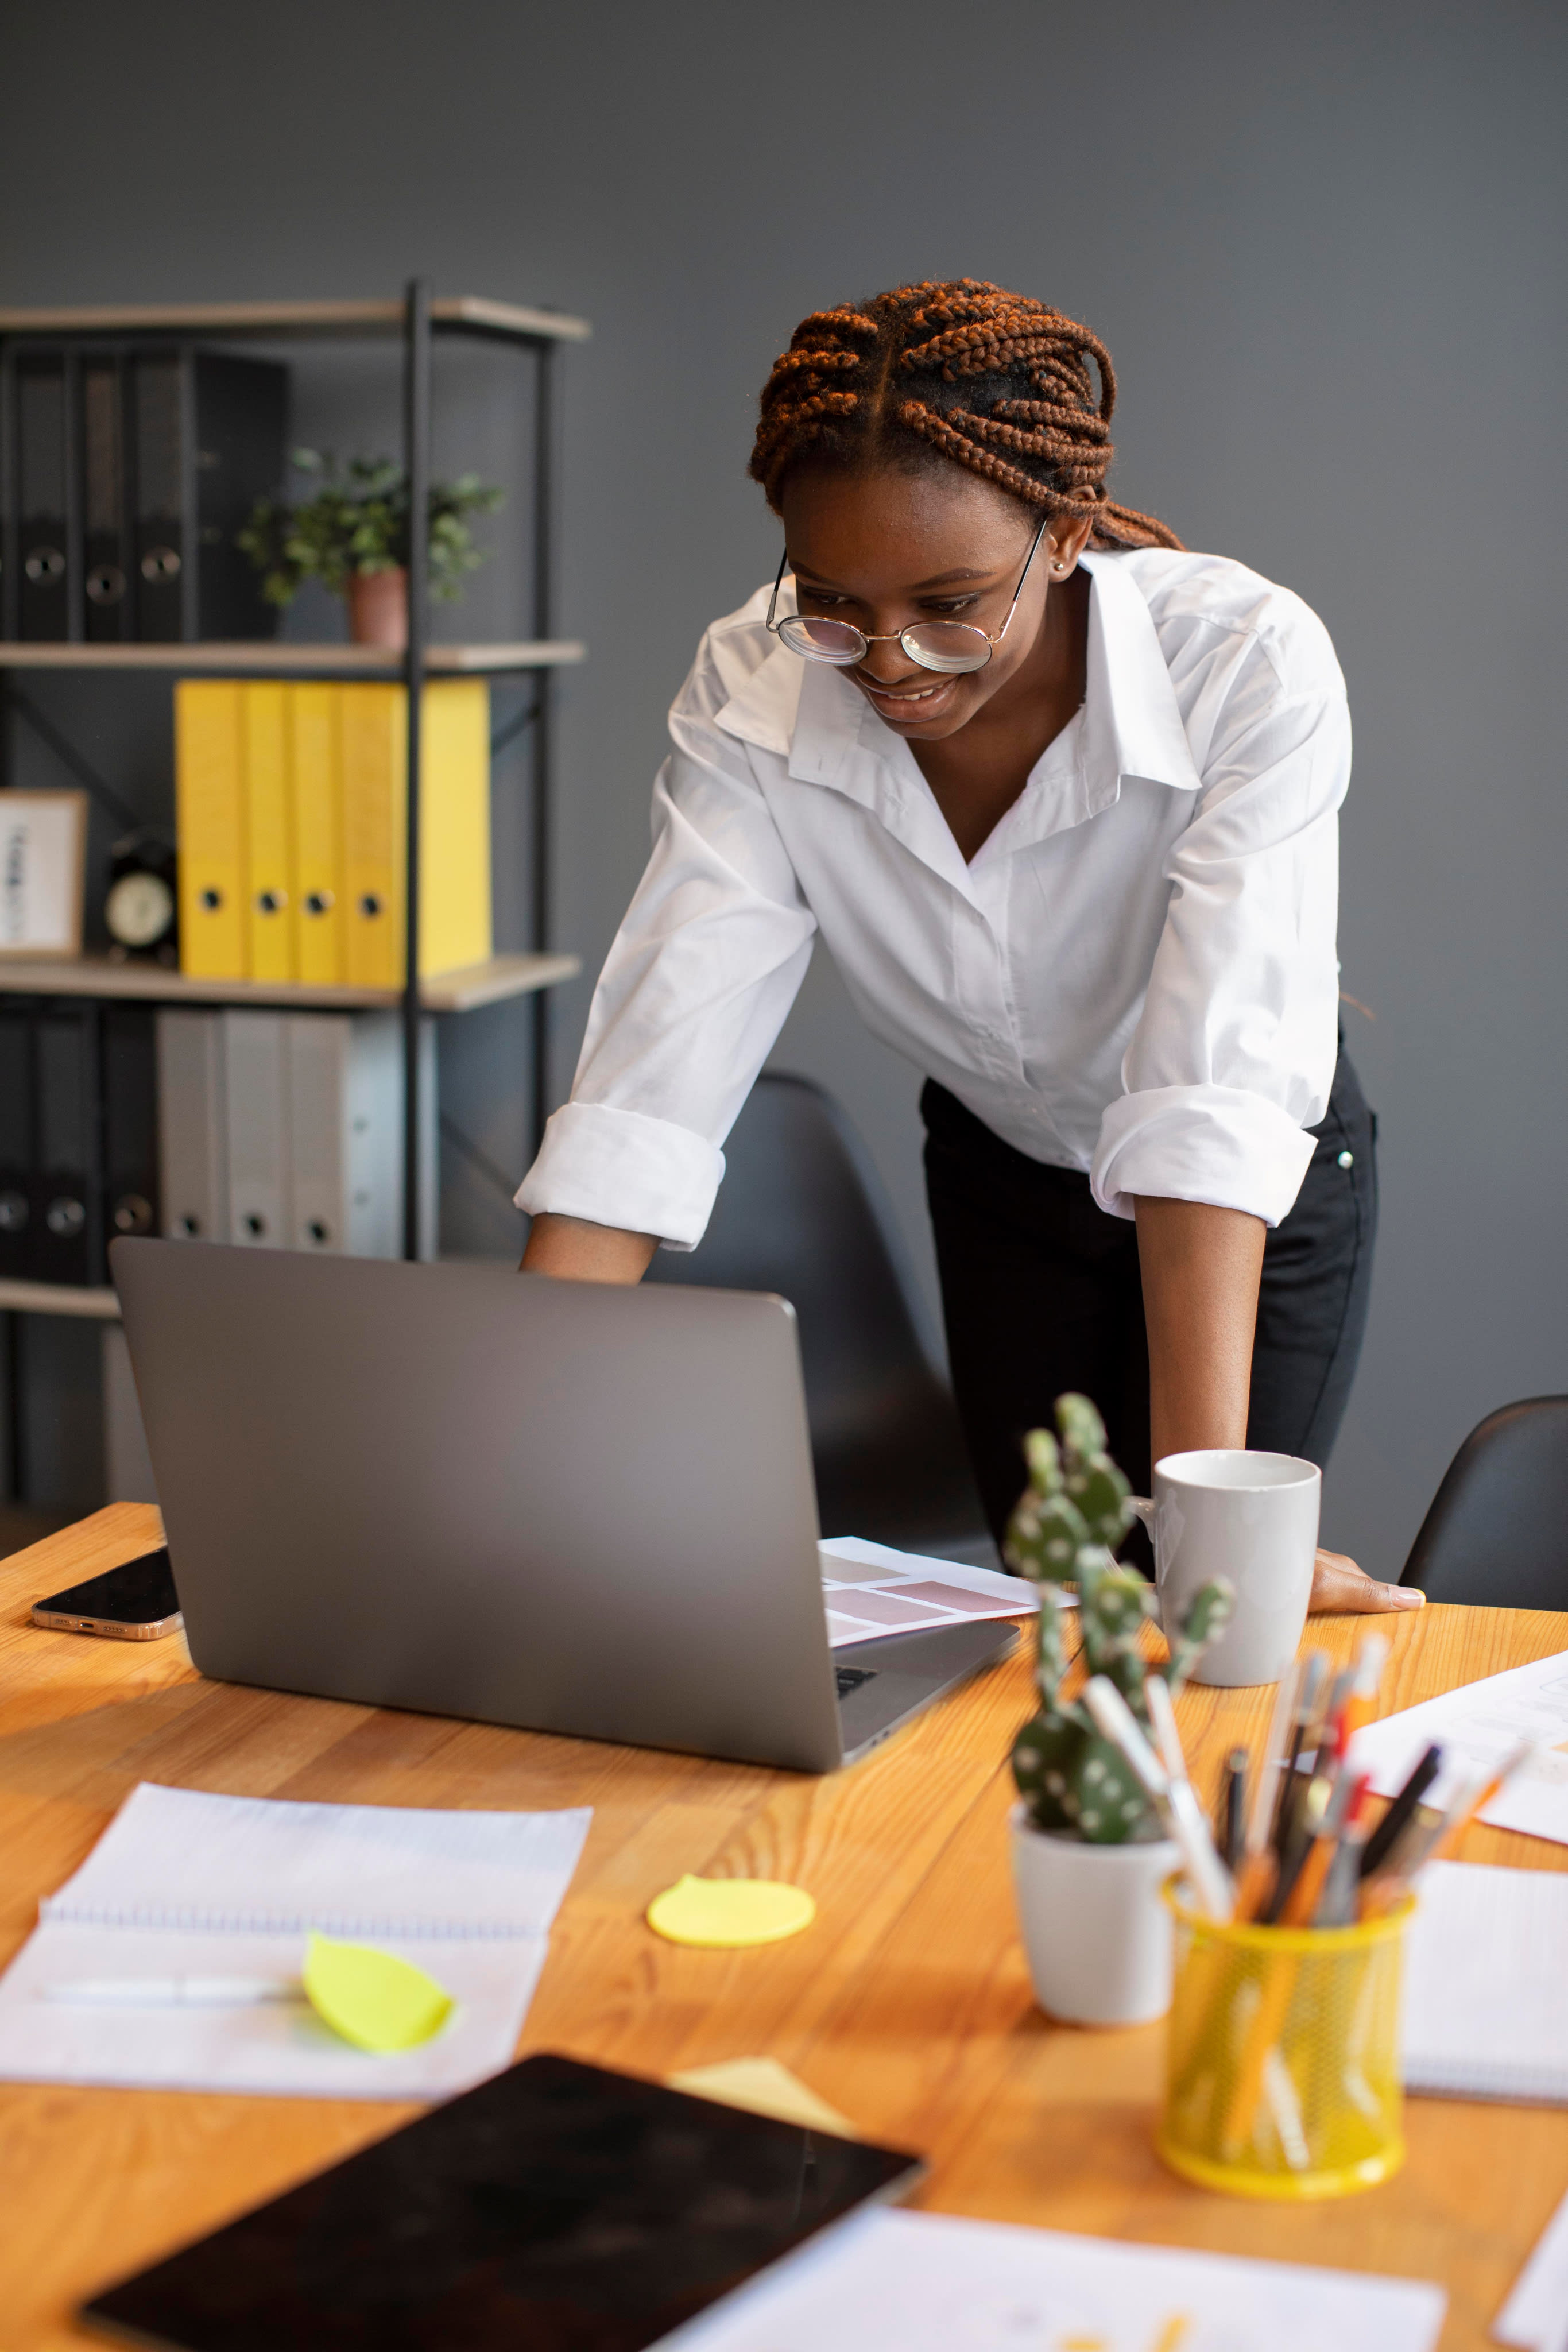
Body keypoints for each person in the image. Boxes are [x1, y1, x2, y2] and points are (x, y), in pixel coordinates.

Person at [518, 278, 1419, 1615]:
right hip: (1003, 1175)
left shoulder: (1241, 660)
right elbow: (652, 1078)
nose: (887, 664)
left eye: (948, 605)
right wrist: (507, 1456)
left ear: (1060, 536)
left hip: (1244, 1201)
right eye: (831, 605)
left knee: (1205, 1605)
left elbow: (1208, 1112)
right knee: (1050, 1597)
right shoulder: (758, 686)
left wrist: (1203, 1512)